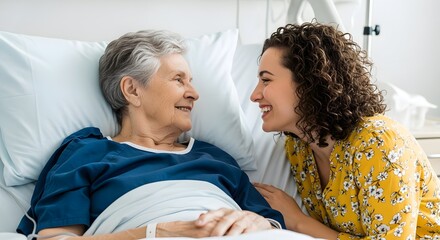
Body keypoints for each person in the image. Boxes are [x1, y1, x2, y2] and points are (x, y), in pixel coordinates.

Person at [17, 30, 285, 240]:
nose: (194, 93)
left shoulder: (215, 157)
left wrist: (260, 223)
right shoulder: (86, 153)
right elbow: (55, 238)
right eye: (179, 80)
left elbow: (270, 222)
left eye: (191, 81)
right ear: (132, 90)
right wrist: (156, 233)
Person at [251, 22, 440, 239]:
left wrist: (299, 222)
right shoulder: (298, 149)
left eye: (266, 80)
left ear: (309, 82)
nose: (254, 95)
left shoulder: (379, 143)